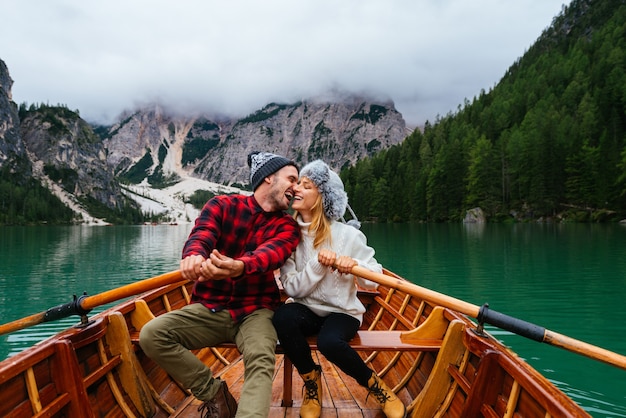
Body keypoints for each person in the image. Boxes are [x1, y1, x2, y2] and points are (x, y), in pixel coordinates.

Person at [139, 151, 301, 418]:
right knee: (152, 334)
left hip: (256, 310)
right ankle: (214, 393)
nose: (296, 188)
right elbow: (203, 233)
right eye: (292, 179)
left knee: (261, 358)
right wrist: (194, 255)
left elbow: (271, 255)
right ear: (269, 178)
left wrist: (240, 267)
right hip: (209, 308)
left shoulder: (288, 227)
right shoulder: (222, 205)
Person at [273, 160, 406, 418]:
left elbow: (375, 280)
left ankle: (376, 387)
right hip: (306, 308)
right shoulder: (288, 236)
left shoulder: (349, 236)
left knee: (329, 342)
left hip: (343, 311)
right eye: (297, 183)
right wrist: (317, 265)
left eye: (306, 185)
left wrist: (355, 265)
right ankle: (312, 382)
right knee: (282, 318)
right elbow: (291, 288)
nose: (296, 189)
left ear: (323, 197)